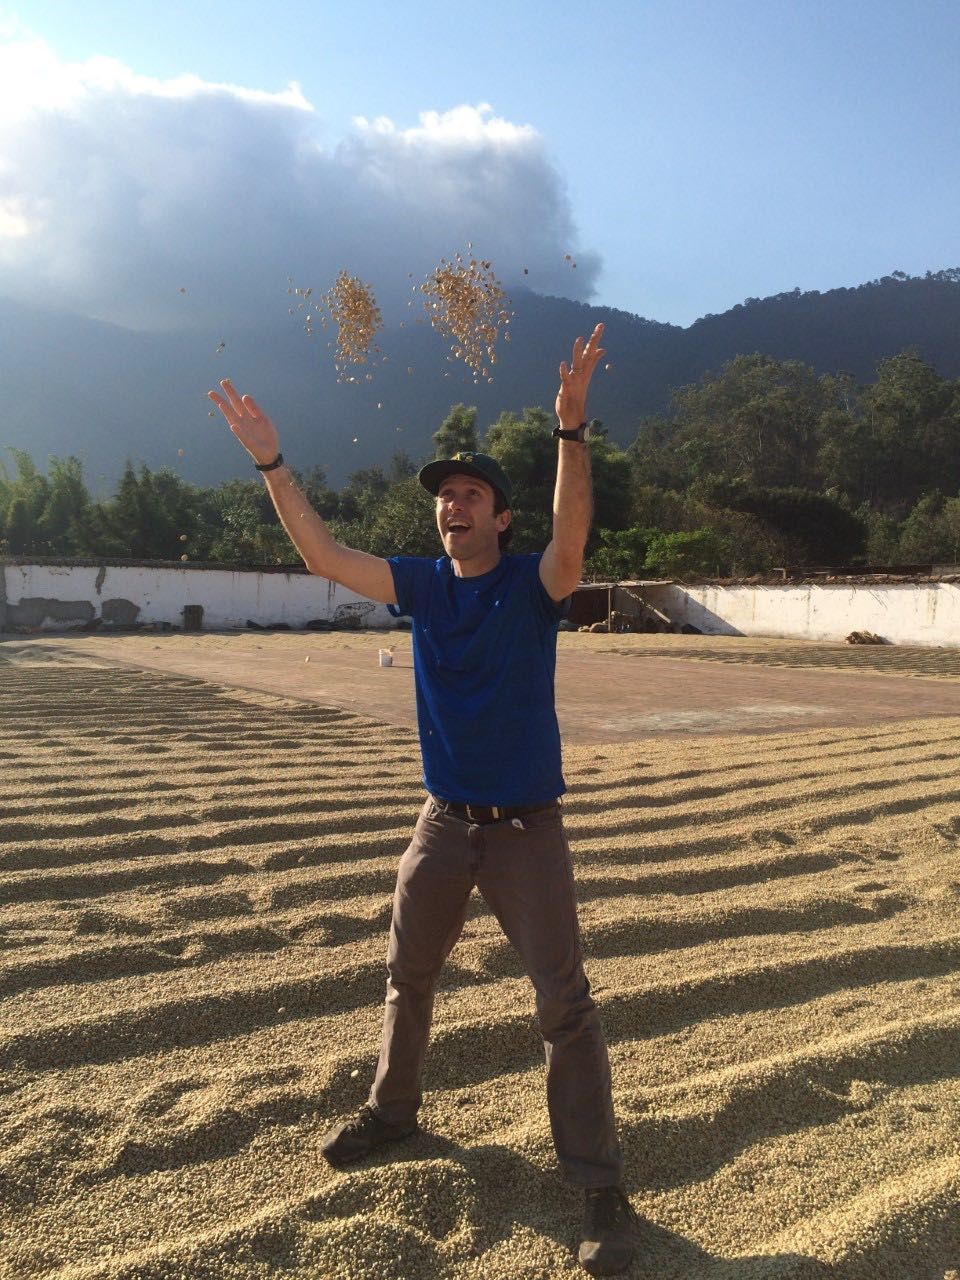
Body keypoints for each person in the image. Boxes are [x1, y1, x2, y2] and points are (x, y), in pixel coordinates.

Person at [208, 321, 636, 1276]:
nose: (453, 506)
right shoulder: (422, 586)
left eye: (471, 494)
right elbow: (323, 554)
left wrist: (571, 432)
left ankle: (598, 1179)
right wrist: (272, 461)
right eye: (445, 497)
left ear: (501, 518)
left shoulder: (536, 585)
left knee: (563, 1004)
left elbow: (574, 535)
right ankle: (392, 1114)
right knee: (407, 977)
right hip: (444, 825)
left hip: (527, 829)